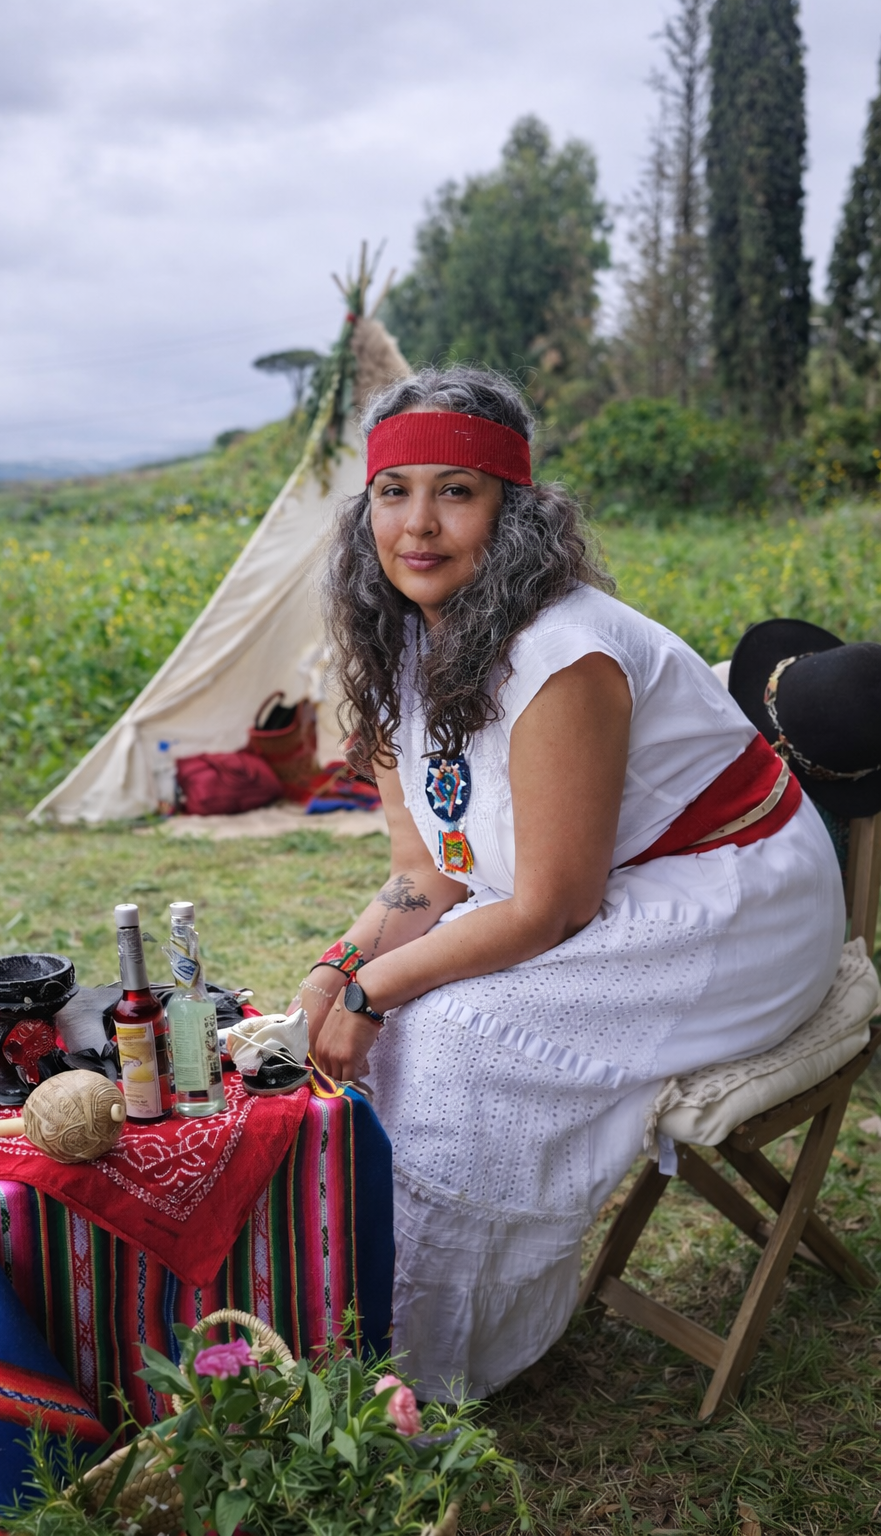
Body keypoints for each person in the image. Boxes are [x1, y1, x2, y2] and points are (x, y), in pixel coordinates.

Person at [291, 366, 845, 1402]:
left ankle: (436, 1366)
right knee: (324, 1034)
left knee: (449, 1037)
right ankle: (360, 1319)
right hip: (605, 888)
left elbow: (547, 907)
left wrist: (379, 996)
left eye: (455, 491)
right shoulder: (400, 646)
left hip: (731, 899)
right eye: (393, 490)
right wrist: (335, 974)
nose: (417, 524)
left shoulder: (561, 653)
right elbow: (425, 875)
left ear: (513, 512)